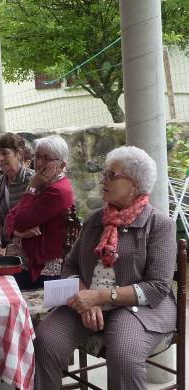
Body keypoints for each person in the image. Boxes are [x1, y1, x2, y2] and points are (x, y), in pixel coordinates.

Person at [34, 146, 177, 390]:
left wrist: (99, 297)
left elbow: (157, 288)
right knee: (45, 341)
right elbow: (70, 266)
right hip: (87, 300)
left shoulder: (159, 225)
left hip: (139, 308)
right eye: (104, 174)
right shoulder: (95, 220)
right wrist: (85, 300)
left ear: (134, 184)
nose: (103, 179)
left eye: (111, 175)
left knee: (123, 356)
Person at [4, 135, 75, 289]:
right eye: (38, 157)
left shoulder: (57, 191)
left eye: (47, 158)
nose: (40, 163)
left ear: (62, 165)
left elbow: (18, 221)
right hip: (23, 259)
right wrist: (18, 233)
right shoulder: (44, 183)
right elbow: (9, 219)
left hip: (39, 270)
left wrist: (31, 188)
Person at [0, 133, 35, 256]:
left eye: (5, 153)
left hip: (30, 248)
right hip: (7, 246)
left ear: (19, 153)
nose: (0, 158)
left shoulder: (33, 181)